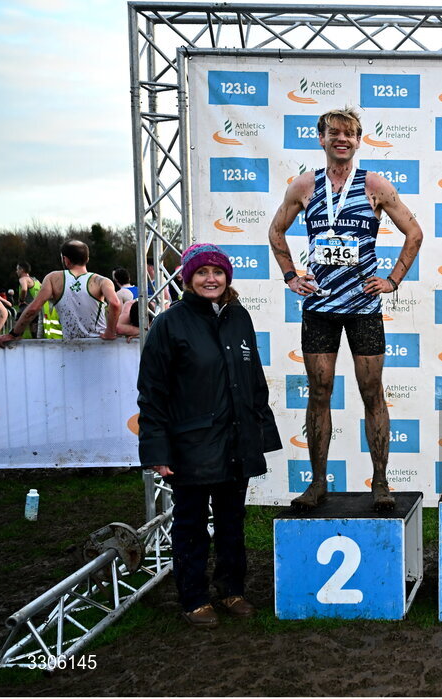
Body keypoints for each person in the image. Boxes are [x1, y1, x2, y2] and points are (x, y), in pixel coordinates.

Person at [268, 107, 423, 511]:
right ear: (321, 139)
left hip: (363, 308)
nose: (343, 139)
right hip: (319, 307)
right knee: (320, 393)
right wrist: (290, 276)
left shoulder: (374, 184)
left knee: (372, 392)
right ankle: (317, 484)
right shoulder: (305, 185)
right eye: (334, 133)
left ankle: (382, 484)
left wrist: (392, 280)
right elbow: (276, 230)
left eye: (350, 134)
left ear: (359, 140)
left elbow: (415, 232)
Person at [137, 243, 281, 628]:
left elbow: (253, 382)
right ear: (188, 279)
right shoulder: (169, 324)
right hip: (191, 447)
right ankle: (194, 598)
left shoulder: (239, 317)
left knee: (233, 522)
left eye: (217, 271)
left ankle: (232, 590)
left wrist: (261, 434)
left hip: (237, 443)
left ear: (227, 277)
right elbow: (152, 393)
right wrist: (157, 449)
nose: (210, 279)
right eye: (201, 272)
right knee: (191, 526)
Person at [0, 240, 121, 347]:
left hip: (71, 347)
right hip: (101, 345)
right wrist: (110, 331)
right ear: (87, 259)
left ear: (65, 260)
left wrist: (13, 334)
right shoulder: (101, 281)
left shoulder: (53, 278)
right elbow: (115, 304)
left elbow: (34, 308)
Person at [15, 261, 43, 338]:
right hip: (36, 309)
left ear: (22, 270)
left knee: (16, 333)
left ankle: (16, 349)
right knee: (35, 335)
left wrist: (21, 300)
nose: (16, 271)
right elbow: (43, 290)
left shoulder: (23, 279)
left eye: (17, 269)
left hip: (25, 308)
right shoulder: (36, 281)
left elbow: (24, 289)